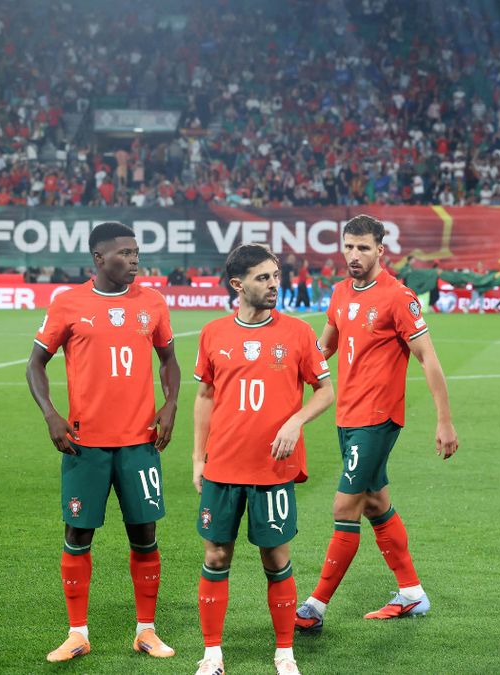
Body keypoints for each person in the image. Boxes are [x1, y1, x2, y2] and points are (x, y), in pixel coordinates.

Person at [294, 215, 459, 633]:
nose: (354, 255)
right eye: (348, 246)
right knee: (374, 503)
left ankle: (314, 606)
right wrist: (289, 378)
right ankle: (411, 593)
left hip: (377, 418)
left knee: (344, 506)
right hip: (346, 415)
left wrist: (445, 420)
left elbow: (428, 359)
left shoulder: (398, 298)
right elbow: (324, 348)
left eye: (363, 247)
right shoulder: (338, 292)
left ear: (380, 250)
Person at [27, 221, 181, 662]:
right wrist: (52, 415)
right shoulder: (68, 303)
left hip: (139, 443)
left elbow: (169, 360)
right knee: (78, 533)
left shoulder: (152, 302)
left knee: (144, 534)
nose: (135, 259)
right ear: (99, 258)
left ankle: (146, 631)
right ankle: (77, 633)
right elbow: (35, 364)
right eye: (126, 253)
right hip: (84, 443)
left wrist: (169, 404)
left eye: (136, 252)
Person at [191, 244, 335, 675]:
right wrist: (198, 457)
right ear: (238, 284)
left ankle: (285, 655)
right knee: (216, 557)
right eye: (263, 277)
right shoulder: (213, 332)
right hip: (222, 467)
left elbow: (326, 392)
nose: (275, 284)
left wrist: (295, 422)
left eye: (275, 275)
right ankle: (212, 656)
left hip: (272, 470)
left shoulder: (297, 333)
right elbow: (204, 395)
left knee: (276, 559)